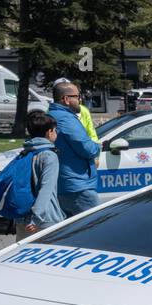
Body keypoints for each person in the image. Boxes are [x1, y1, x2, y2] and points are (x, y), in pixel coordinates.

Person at [48, 80, 101, 217]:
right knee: (94, 227)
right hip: (77, 186)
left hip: (65, 183)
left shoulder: (53, 115)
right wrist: (97, 147)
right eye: (77, 96)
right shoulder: (66, 119)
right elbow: (86, 148)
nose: (80, 100)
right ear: (66, 99)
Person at [13, 110, 64, 240]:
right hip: (43, 220)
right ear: (49, 132)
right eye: (55, 130)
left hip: (22, 217)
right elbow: (46, 188)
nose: (56, 133)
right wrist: (36, 218)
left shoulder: (25, 152)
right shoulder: (49, 156)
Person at [53, 77, 98, 144]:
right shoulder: (50, 113)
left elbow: (92, 134)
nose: (78, 99)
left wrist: (93, 147)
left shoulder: (83, 110)